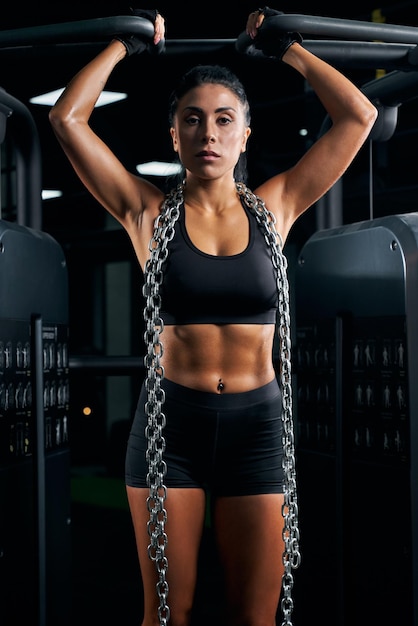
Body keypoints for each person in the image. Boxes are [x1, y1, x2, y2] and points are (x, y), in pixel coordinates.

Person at [49, 7, 377, 626]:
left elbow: (358, 116)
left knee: (257, 617)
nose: (209, 134)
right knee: (169, 614)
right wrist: (125, 43)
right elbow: (67, 119)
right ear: (173, 134)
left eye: (225, 121)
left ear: (244, 134)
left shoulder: (276, 208)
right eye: (192, 120)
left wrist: (289, 50)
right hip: (171, 430)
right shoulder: (144, 212)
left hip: (257, 430)